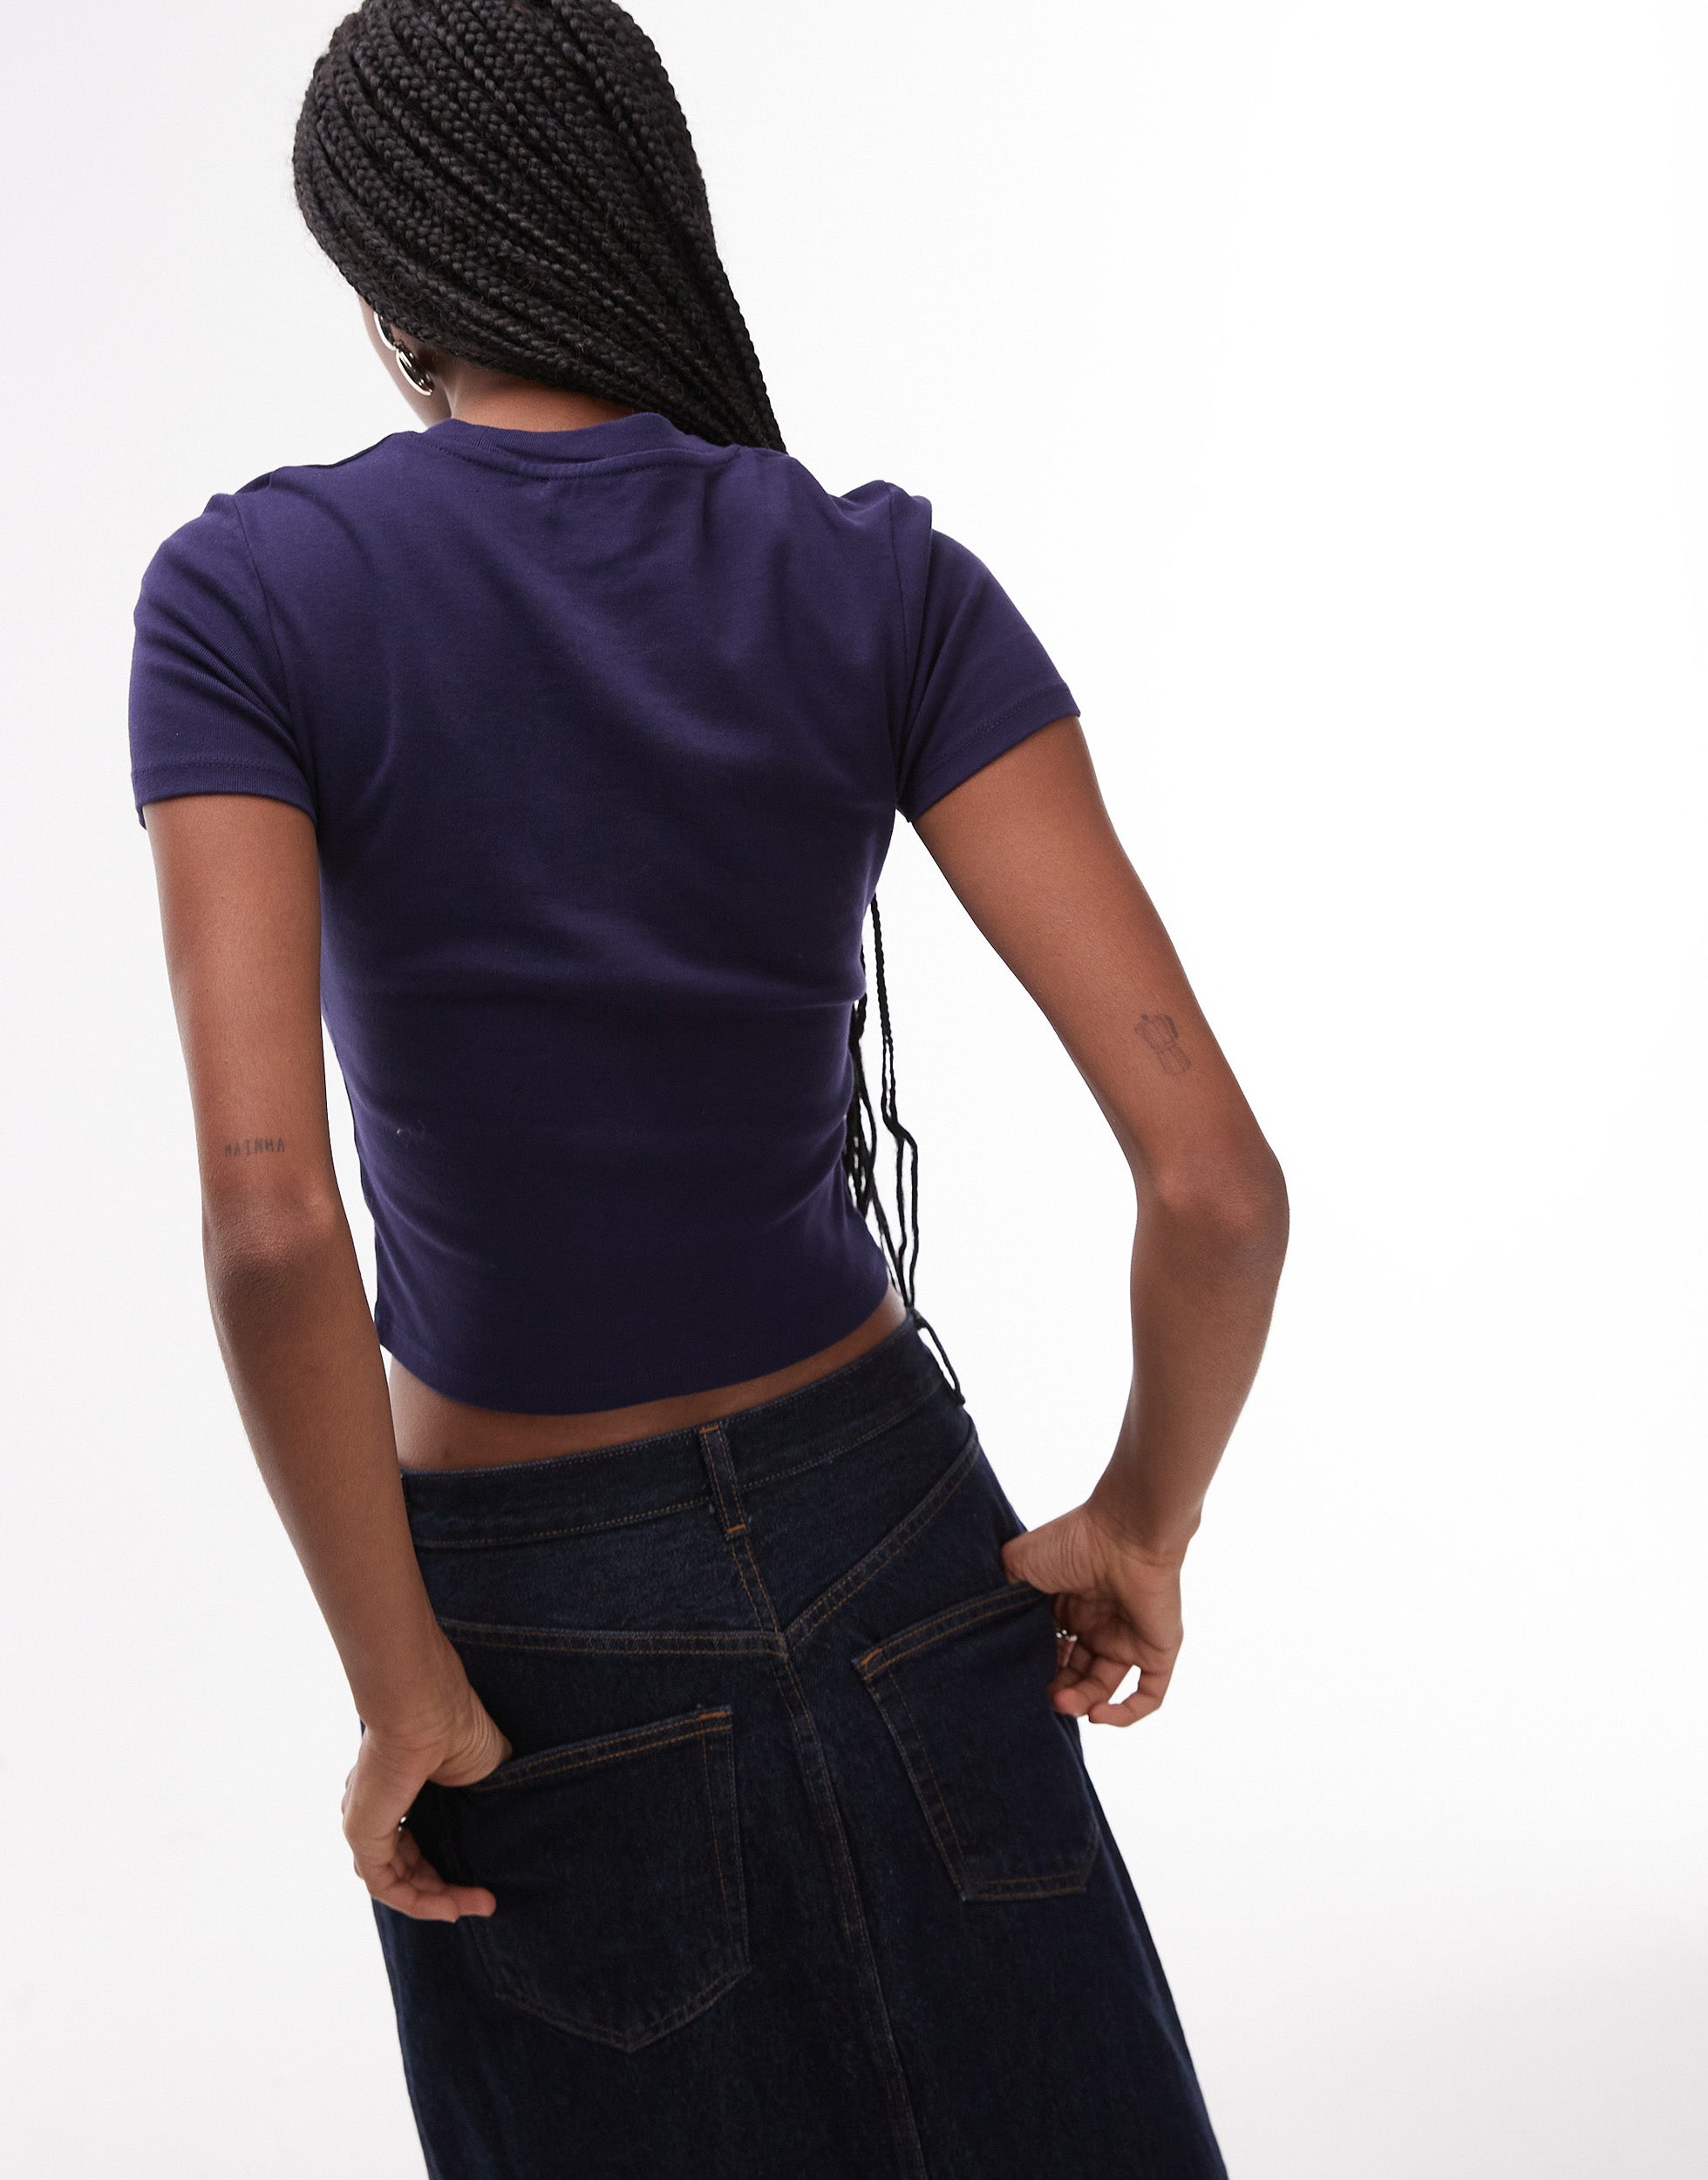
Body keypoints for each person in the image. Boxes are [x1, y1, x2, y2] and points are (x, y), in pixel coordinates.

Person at [129, 4, 1288, 2174]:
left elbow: (275, 1225)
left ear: (388, 288)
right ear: (640, 206)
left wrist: (399, 1680)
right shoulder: (878, 576)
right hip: (903, 1525)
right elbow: (1215, 1181)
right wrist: (1141, 1517)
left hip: (529, 1614)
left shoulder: (251, 597)